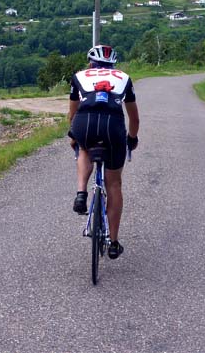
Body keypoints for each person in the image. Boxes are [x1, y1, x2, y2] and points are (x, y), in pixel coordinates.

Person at [68, 45, 139, 259]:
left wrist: (74, 137)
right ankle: (113, 242)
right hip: (112, 125)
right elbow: (134, 118)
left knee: (83, 148)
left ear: (91, 63)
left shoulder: (79, 76)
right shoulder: (124, 78)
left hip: (85, 122)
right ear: (113, 65)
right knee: (114, 184)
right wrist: (132, 139)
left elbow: (72, 113)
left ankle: (81, 192)